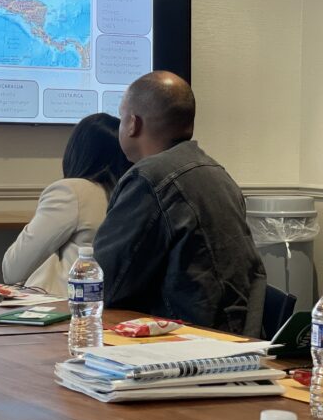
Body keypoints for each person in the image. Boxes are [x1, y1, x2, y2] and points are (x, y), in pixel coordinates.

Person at [93, 71, 266, 336]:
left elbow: (104, 286)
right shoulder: (216, 171)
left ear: (132, 124)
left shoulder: (149, 178)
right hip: (234, 337)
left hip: (182, 345)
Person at [2, 113, 131, 296]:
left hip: (63, 308)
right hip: (112, 307)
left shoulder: (71, 192)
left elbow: (13, 270)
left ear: (76, 151)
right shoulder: (130, 194)